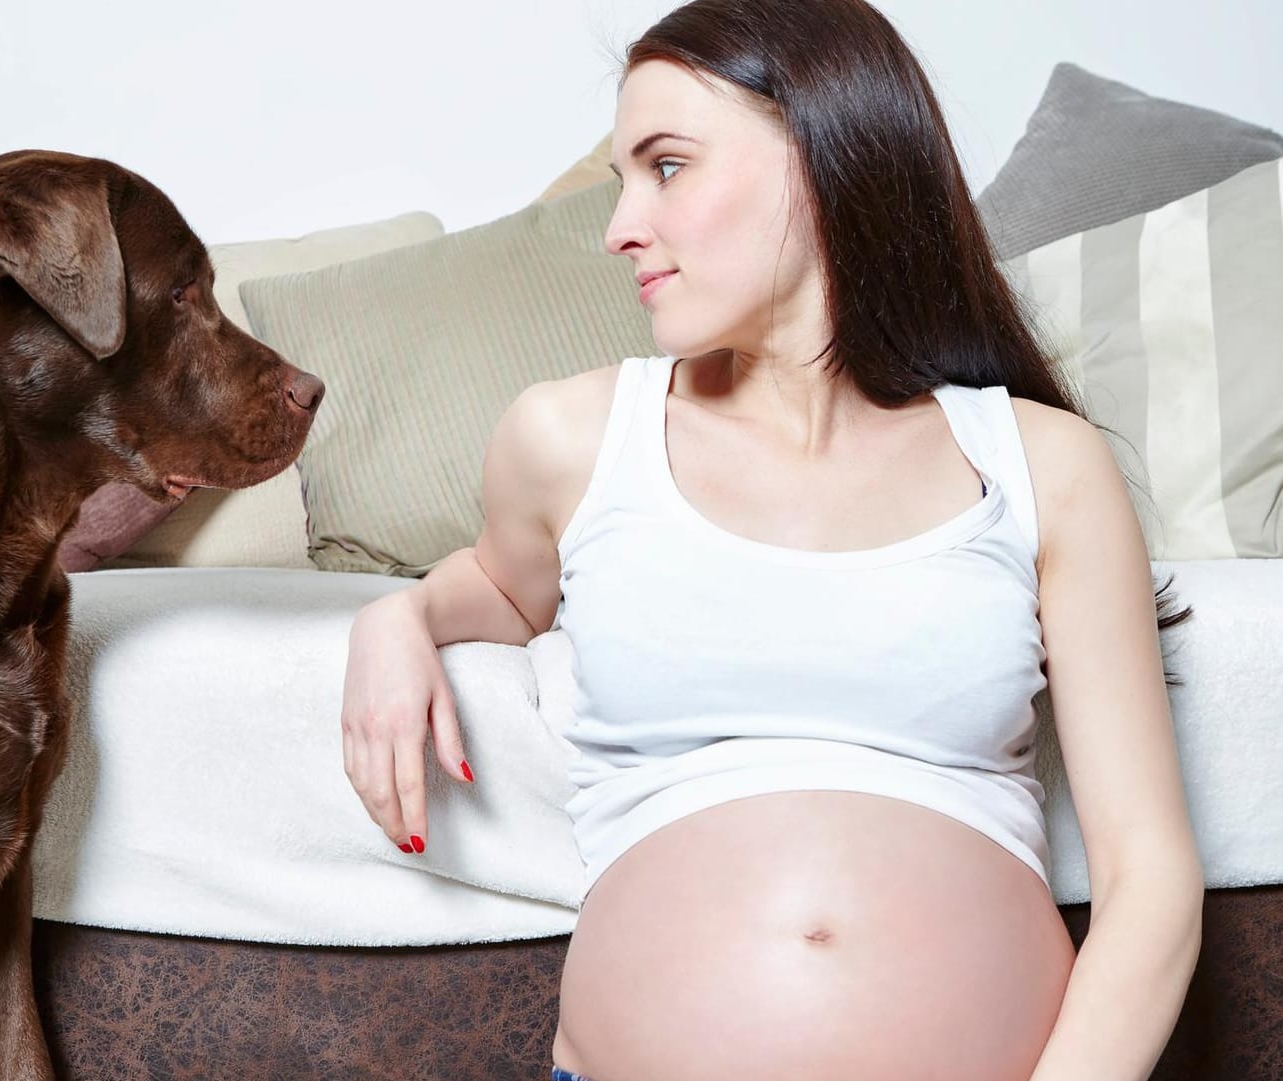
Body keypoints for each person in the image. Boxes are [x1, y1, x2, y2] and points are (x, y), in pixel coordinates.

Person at [340, 1, 1205, 1078]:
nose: (616, 227)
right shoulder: (572, 435)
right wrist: (398, 614)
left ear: (826, 151)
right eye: (622, 180)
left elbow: (1149, 875)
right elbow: (505, 591)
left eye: (665, 165)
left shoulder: (1040, 464)